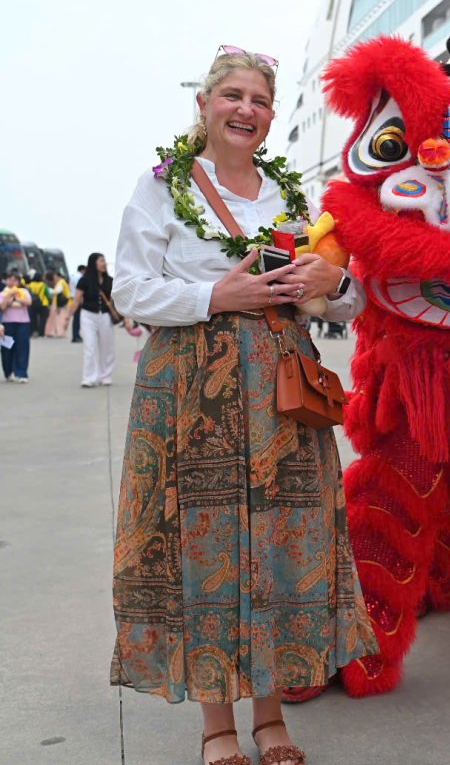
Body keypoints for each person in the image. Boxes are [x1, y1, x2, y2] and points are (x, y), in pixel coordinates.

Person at [109, 46, 377, 765]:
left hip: (283, 393)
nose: (246, 110)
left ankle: (271, 716)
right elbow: (128, 291)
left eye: (259, 100)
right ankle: (217, 726)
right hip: (190, 391)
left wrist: (334, 280)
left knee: (281, 548)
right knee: (202, 546)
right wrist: (213, 295)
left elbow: (344, 302)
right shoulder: (161, 189)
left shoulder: (290, 196)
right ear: (204, 104)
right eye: (232, 95)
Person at [67, 253, 127, 386]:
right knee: (90, 346)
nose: (104, 263)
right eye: (101, 260)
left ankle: (105, 375)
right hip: (88, 315)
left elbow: (118, 299)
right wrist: (67, 317)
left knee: (107, 347)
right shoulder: (84, 280)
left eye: (104, 260)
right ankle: (89, 377)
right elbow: (76, 300)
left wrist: (126, 318)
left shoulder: (110, 280)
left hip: (105, 316)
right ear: (93, 263)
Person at [1, 271, 33, 382]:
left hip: (23, 323)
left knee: (22, 347)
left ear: (19, 282)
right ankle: (8, 372)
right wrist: (9, 297)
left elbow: (28, 302)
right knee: (7, 348)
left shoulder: (23, 291)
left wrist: (16, 299)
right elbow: (2, 307)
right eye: (10, 279)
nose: (12, 282)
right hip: (7, 324)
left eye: (15, 280)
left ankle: (22, 373)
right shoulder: (3, 293)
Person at [43, 270, 71, 338]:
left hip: (60, 303)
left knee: (60, 318)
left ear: (58, 276)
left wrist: (50, 291)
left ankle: (59, 332)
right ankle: (55, 332)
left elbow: (58, 291)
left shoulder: (61, 282)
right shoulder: (62, 282)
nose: (54, 278)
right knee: (56, 318)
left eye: (55, 276)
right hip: (60, 303)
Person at [25, 271, 49, 337]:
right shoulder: (43, 285)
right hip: (43, 303)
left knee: (33, 318)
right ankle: (41, 332)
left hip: (32, 303)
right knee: (43, 318)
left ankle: (33, 331)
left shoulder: (30, 284)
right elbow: (47, 294)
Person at [70, 264, 85, 342]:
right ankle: (76, 336)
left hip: (72, 297)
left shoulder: (72, 276)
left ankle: (75, 335)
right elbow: (80, 290)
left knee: (76, 318)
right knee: (77, 318)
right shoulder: (80, 277)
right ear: (82, 270)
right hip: (78, 299)